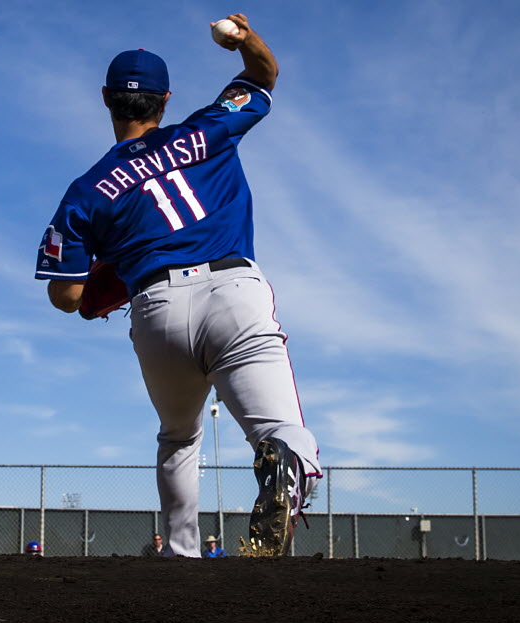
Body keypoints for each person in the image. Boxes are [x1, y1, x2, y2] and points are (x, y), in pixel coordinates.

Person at [35, 13, 321, 558]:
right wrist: (244, 38)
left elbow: (67, 297)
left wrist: (114, 275)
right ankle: (285, 465)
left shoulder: (85, 191)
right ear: (166, 100)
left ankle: (181, 553)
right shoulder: (207, 129)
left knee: (179, 436)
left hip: (156, 307)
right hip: (234, 291)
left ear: (106, 100)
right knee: (279, 428)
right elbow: (265, 74)